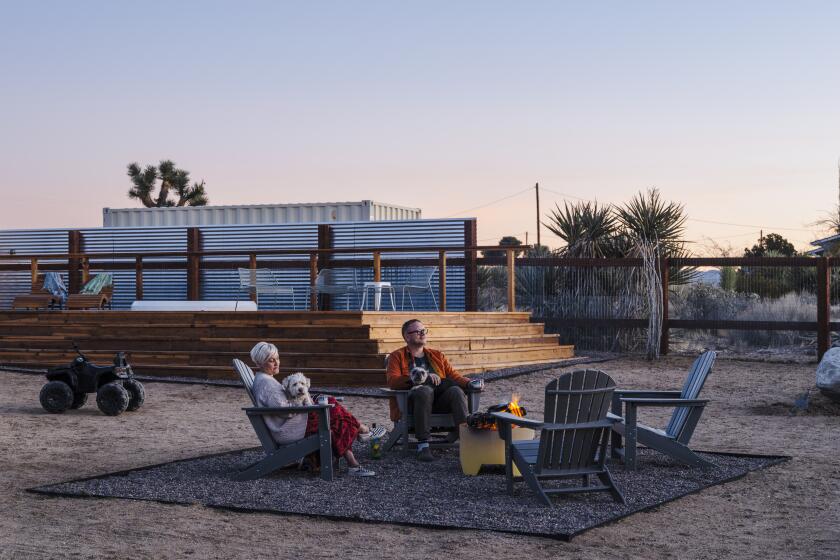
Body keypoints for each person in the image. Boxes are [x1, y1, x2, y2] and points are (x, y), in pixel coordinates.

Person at [249, 341, 375, 477]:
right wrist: (305, 403)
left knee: (331, 409)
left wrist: (307, 400)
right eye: (271, 360)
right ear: (260, 363)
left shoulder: (266, 379)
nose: (277, 363)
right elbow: (285, 412)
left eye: (277, 358)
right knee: (333, 413)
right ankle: (361, 432)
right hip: (288, 430)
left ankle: (353, 460)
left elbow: (285, 403)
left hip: (293, 424)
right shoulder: (267, 384)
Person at [385, 319, 484, 462]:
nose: (422, 333)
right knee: (424, 391)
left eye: (424, 331)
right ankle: (423, 445)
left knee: (456, 390)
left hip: (439, 403)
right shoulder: (397, 356)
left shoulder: (437, 355)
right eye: (418, 331)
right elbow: (393, 381)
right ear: (407, 336)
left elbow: (454, 376)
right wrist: (422, 378)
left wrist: (471, 383)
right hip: (412, 404)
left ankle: (467, 440)